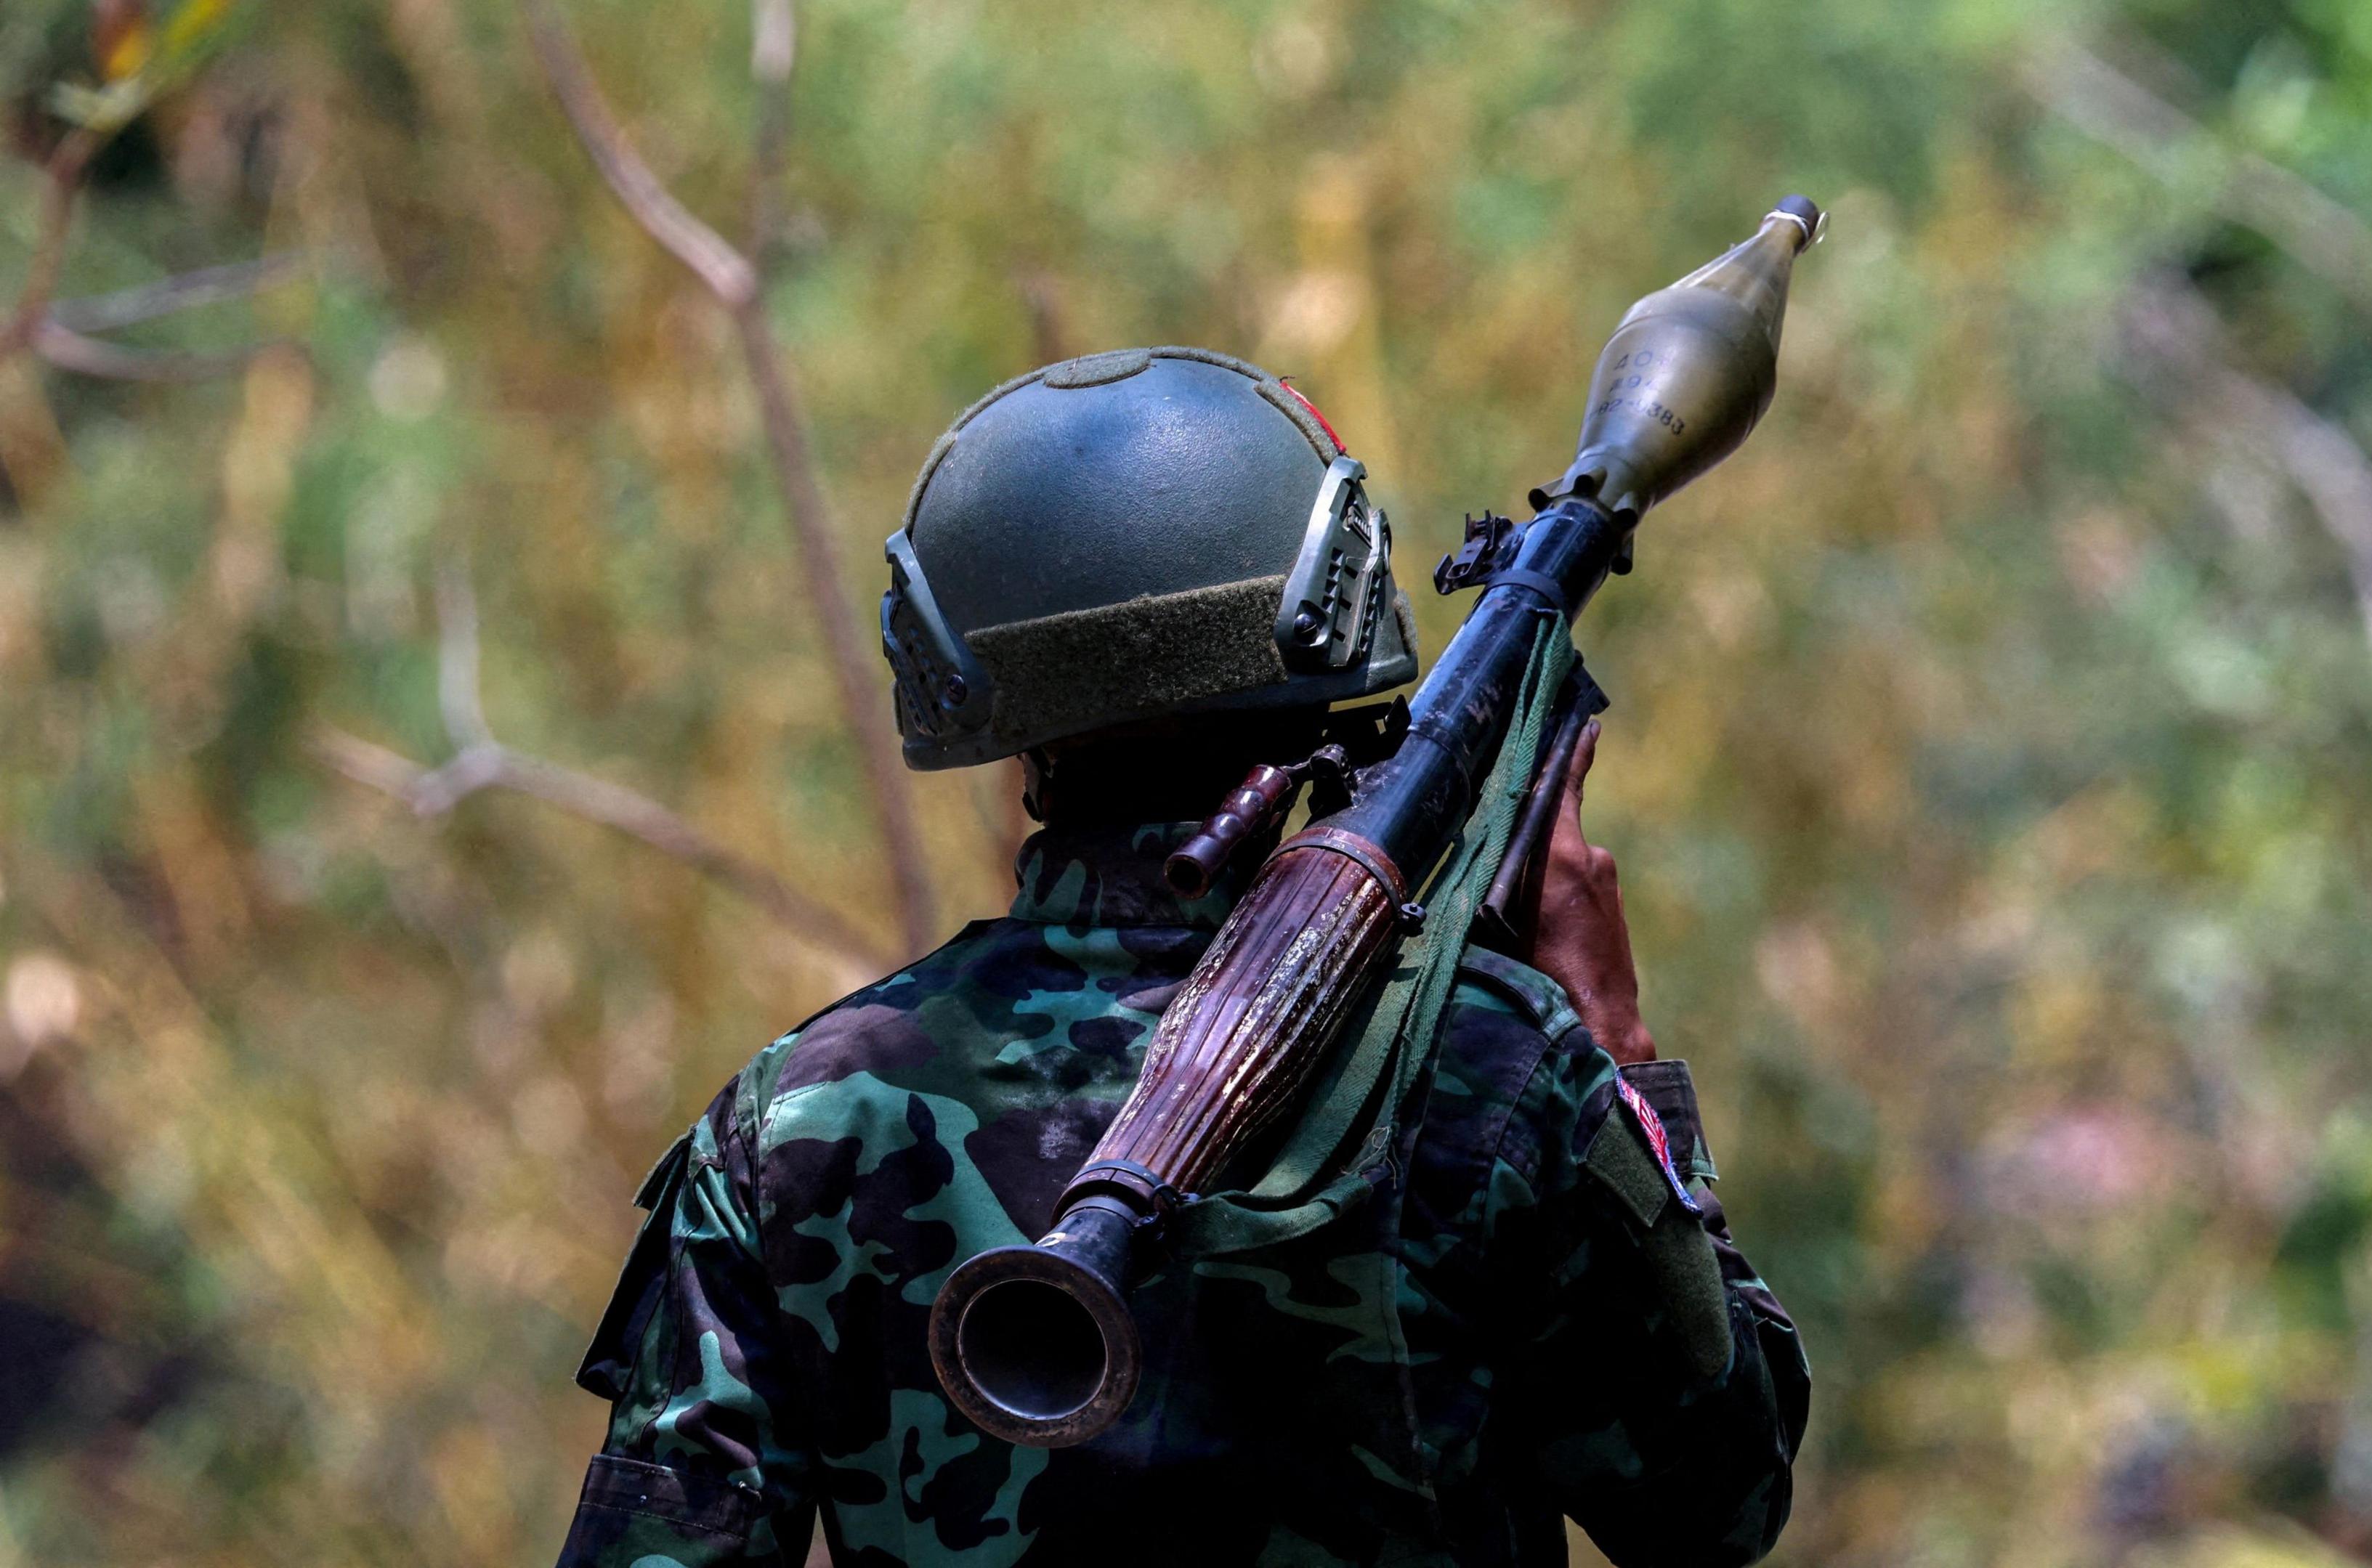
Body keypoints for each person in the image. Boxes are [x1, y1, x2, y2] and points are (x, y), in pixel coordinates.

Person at [551, 347, 1808, 1567]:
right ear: (1332, 625)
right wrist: (1617, 1049)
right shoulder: (1496, 1069)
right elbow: (1720, 1507)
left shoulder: (799, 1124)